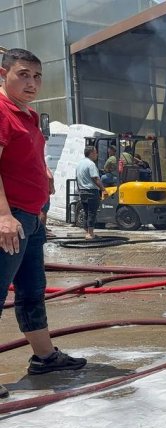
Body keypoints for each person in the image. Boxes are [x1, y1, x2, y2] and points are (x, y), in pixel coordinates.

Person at [0, 48, 87, 399]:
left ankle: (44, 357)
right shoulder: (2, 112)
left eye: (37, 76)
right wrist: (3, 216)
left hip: (31, 217)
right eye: (23, 74)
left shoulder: (29, 115)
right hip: (12, 219)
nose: (32, 82)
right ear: (3, 73)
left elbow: (25, 157)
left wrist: (44, 172)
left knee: (32, 292)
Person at [74, 146, 106, 239]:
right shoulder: (91, 164)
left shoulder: (79, 164)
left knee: (87, 212)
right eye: (96, 152)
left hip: (83, 191)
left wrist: (80, 189)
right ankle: (90, 233)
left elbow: (77, 178)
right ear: (91, 153)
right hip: (91, 191)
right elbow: (95, 178)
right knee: (92, 212)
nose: (97, 154)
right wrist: (103, 189)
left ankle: (88, 232)